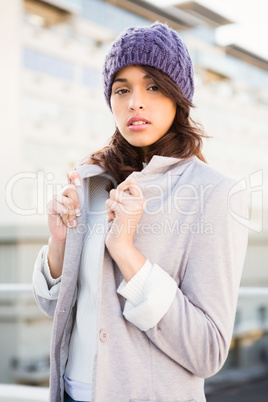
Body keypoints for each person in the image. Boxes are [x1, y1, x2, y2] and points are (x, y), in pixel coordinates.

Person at [33, 22, 248, 402]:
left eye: (152, 86)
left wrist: (126, 253)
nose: (135, 102)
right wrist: (58, 244)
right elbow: (53, 307)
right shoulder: (91, 181)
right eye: (122, 89)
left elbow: (208, 352)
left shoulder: (214, 192)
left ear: (177, 95)